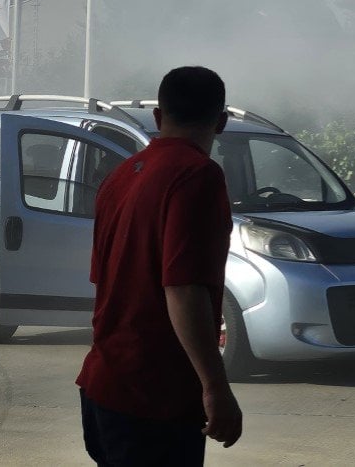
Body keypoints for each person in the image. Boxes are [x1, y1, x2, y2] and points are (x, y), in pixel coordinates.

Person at [76, 66, 242, 463]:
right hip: (155, 399)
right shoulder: (198, 176)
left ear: (157, 116)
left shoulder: (119, 177)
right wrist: (215, 386)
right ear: (220, 122)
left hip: (103, 387)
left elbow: (103, 279)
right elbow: (183, 288)